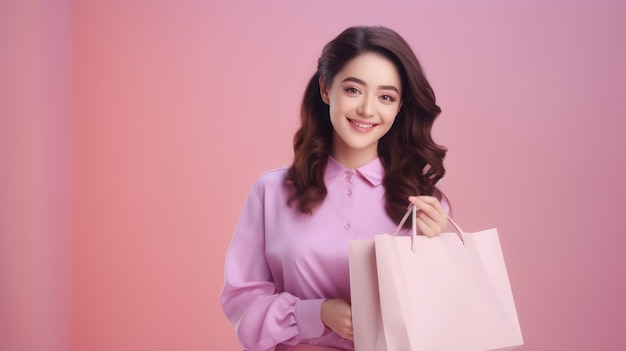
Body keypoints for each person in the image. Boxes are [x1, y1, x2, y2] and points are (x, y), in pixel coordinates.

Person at [221, 25, 449, 351]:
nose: (367, 109)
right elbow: (242, 304)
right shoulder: (271, 192)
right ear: (327, 90)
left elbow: (436, 320)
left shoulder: (424, 207)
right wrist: (315, 313)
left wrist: (436, 249)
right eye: (354, 90)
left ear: (399, 108)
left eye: (386, 97)